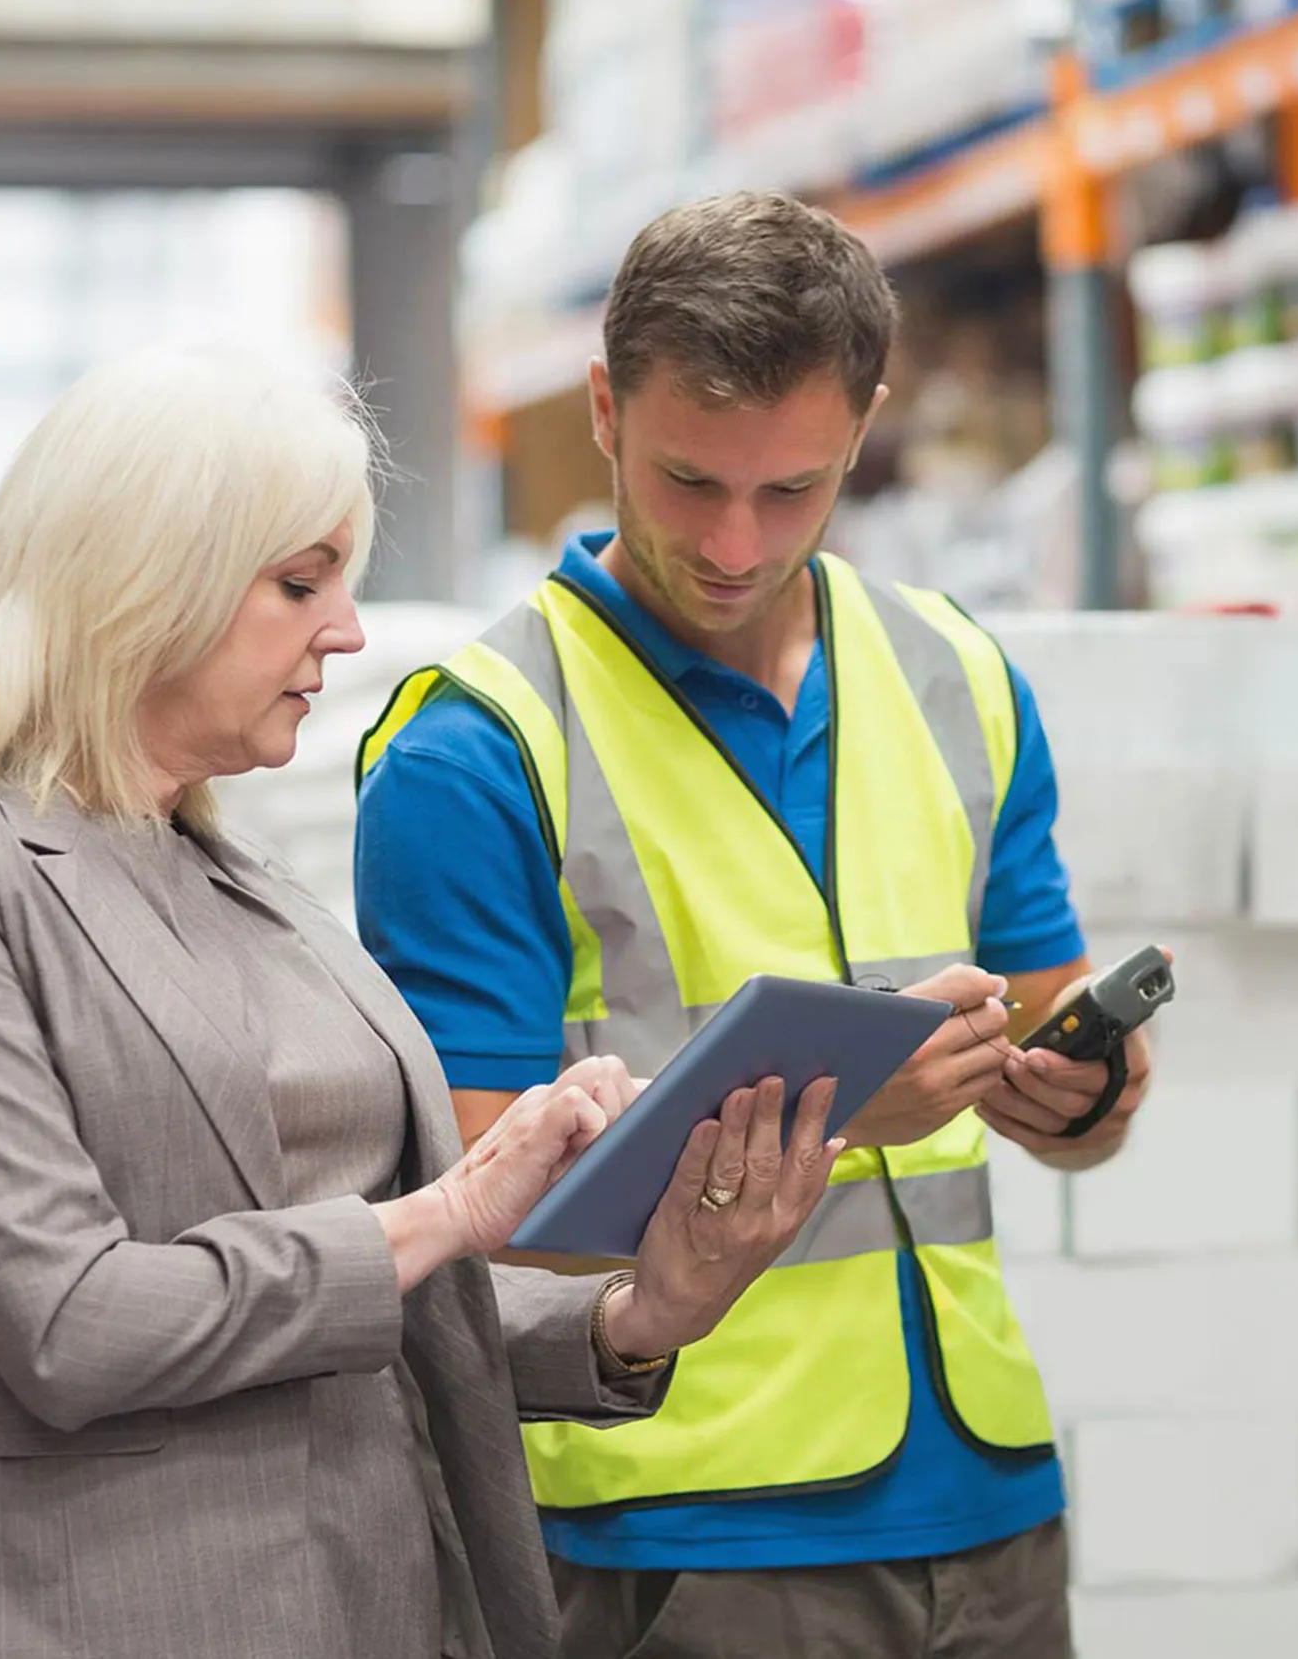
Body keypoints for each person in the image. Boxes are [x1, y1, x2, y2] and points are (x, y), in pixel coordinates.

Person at [0, 341, 838, 1659]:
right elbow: (70, 1325)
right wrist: (453, 1209)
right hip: (115, 1611)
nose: (344, 630)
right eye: (300, 583)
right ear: (143, 581)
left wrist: (635, 1317)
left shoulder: (244, 879)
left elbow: (379, 1309)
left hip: (376, 1592)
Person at [354, 191, 1154, 1659]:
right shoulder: (476, 751)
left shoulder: (957, 676)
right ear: (605, 410)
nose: (733, 541)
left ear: (864, 428)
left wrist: (1082, 1087)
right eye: (689, 482)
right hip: (682, 1527)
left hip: (986, 1496)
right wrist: (856, 1112)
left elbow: (1068, 1097)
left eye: (792, 491)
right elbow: (478, 1218)